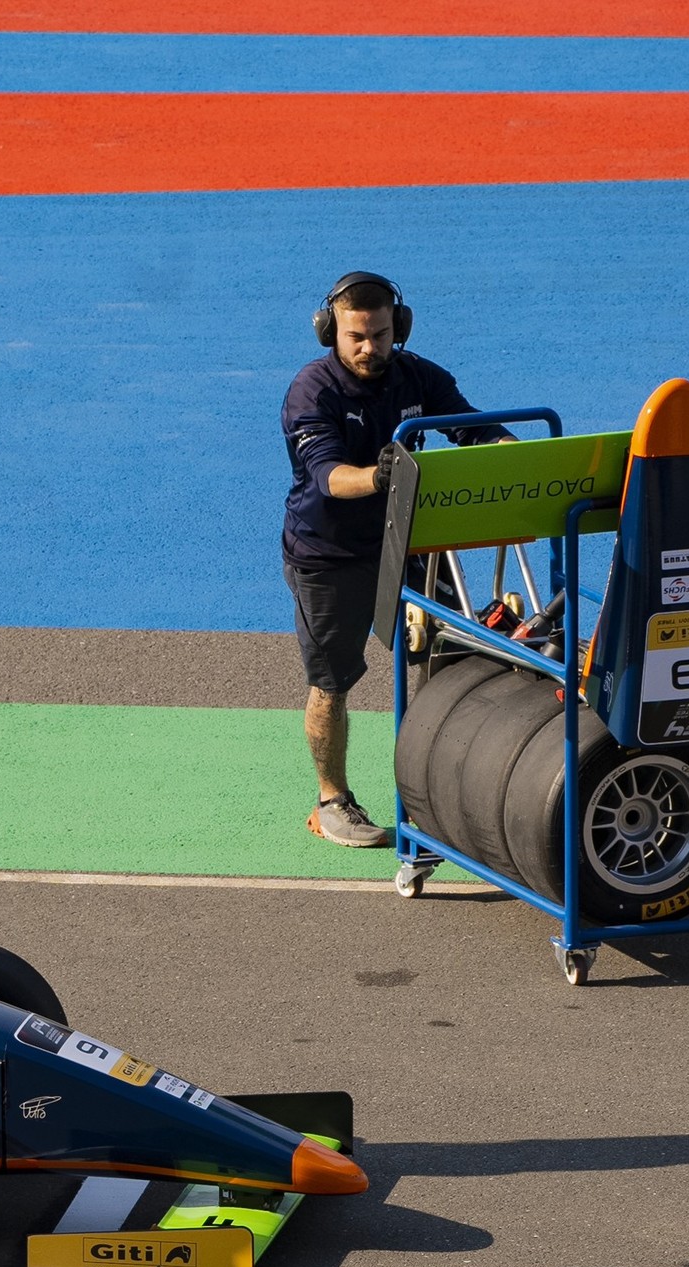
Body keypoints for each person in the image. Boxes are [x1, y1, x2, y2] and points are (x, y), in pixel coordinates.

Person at [281, 272, 510, 846]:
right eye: (356, 337)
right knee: (332, 682)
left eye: (380, 335)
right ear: (330, 332)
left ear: (398, 327)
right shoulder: (312, 392)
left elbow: (472, 427)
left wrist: (506, 450)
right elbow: (329, 476)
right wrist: (380, 476)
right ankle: (331, 800)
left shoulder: (417, 375)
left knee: (454, 661)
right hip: (330, 555)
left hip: (408, 543)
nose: (369, 348)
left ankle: (446, 794)